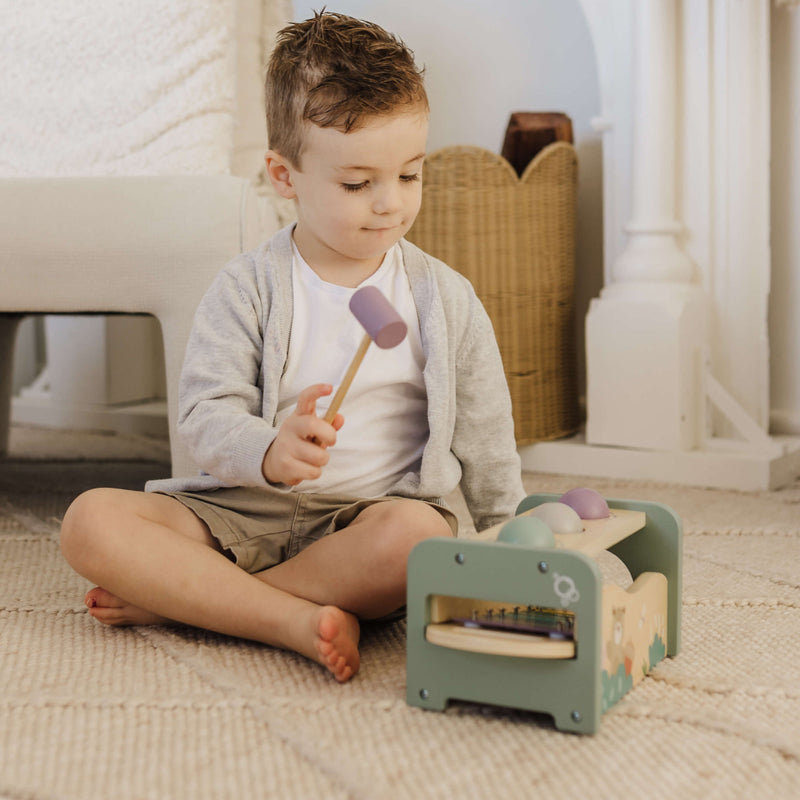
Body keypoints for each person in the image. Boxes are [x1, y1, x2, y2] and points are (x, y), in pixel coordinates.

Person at [59, 11, 524, 683]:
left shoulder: (445, 298)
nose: (390, 205)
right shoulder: (245, 287)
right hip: (244, 508)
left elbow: (486, 435)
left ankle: (198, 598)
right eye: (358, 184)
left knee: (417, 539)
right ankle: (286, 616)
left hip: (364, 523)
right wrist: (270, 450)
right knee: (90, 521)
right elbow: (203, 417)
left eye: (410, 175)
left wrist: (506, 537)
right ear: (284, 177)